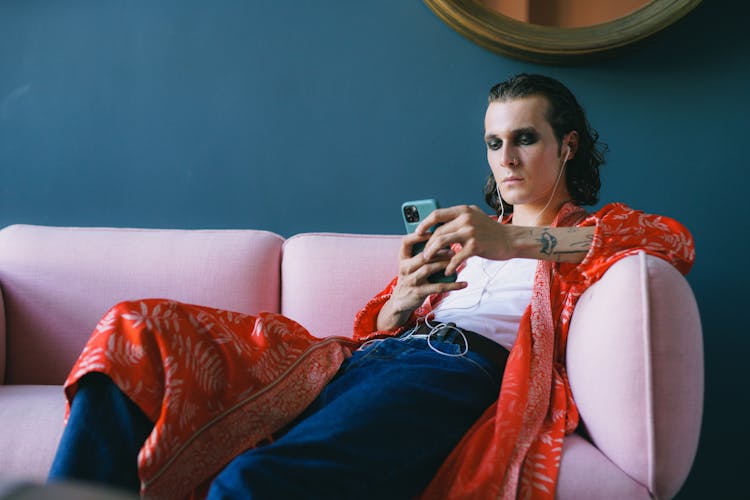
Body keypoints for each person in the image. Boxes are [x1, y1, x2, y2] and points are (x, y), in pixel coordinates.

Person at [47, 73, 694, 499]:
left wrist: (514, 242)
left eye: (525, 138)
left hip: (455, 369)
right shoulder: (461, 233)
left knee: (253, 483)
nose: (507, 158)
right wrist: (403, 303)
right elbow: (376, 329)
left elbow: (672, 243)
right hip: (354, 359)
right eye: (495, 142)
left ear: (568, 145)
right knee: (137, 327)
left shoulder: (598, 228)